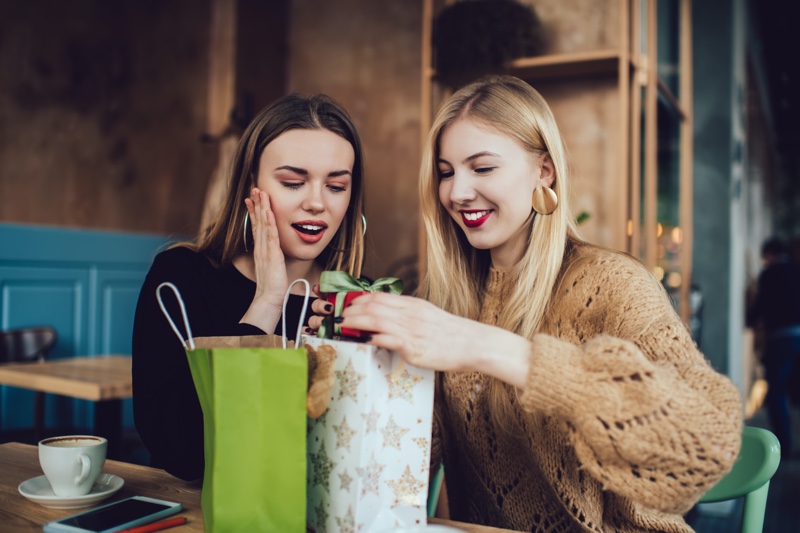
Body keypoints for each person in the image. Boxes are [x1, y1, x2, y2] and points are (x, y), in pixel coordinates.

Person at [312, 76, 743, 531]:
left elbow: (708, 443)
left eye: (482, 168)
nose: (457, 192)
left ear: (544, 171)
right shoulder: (447, 300)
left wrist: (488, 347)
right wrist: (356, 365)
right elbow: (399, 462)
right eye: (446, 172)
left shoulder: (614, 285)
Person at [133, 93, 366, 481]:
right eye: (293, 182)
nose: (316, 203)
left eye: (336, 186)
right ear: (250, 183)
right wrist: (267, 303)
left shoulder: (355, 301)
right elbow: (182, 452)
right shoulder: (180, 278)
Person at [748, 237, 800, 459]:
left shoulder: (770, 274)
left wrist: (750, 320)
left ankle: (784, 447)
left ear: (769, 254)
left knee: (777, 392)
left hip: (779, 338)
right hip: (798, 336)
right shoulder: (796, 271)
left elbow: (761, 305)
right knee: (793, 392)